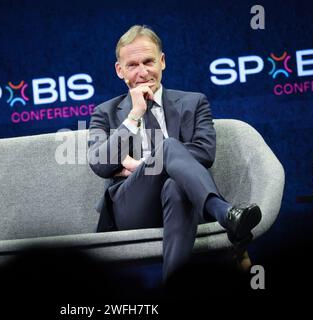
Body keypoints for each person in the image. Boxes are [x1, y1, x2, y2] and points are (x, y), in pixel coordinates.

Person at [87, 25, 262, 283]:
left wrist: (143, 163)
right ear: (120, 71)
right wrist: (134, 114)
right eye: (133, 65)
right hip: (131, 208)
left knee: (175, 188)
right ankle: (224, 212)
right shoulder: (106, 112)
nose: (143, 72)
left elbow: (204, 152)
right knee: (169, 147)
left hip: (183, 200)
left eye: (148, 61)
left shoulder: (194, 102)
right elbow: (100, 164)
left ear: (162, 61)